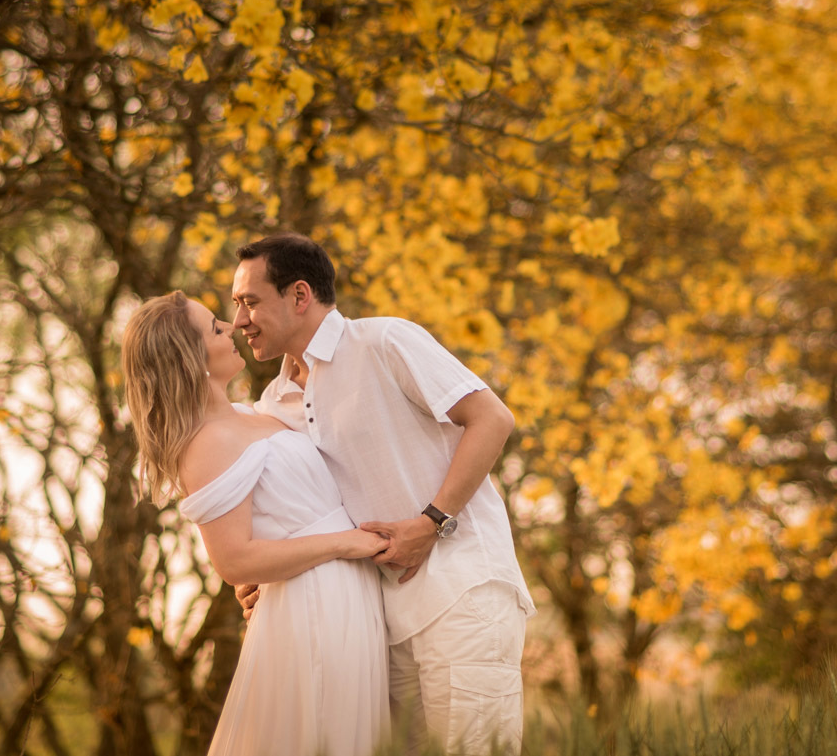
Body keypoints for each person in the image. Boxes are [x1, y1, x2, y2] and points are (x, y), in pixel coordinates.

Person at [230, 232, 536, 755]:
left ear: (299, 296)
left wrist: (431, 522)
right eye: (236, 306)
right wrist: (263, 574)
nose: (239, 321)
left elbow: (491, 418)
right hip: (378, 624)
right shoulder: (272, 402)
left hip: (461, 593)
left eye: (250, 302)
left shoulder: (384, 341)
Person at [121, 291, 391, 756]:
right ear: (190, 356)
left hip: (345, 593)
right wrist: (345, 543)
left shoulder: (254, 414)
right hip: (311, 607)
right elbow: (234, 559)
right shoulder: (207, 443)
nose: (231, 328)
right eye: (214, 328)